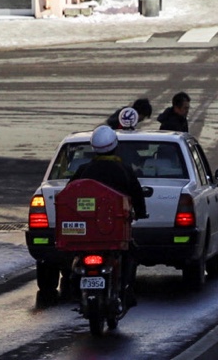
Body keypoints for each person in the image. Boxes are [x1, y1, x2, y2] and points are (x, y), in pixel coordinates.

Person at [68, 125, 147, 304]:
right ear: (115, 145)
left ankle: (74, 284)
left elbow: (69, 193)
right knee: (131, 252)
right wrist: (141, 212)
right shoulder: (124, 170)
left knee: (76, 256)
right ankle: (126, 289)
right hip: (114, 231)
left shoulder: (84, 170)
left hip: (87, 232)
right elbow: (137, 194)